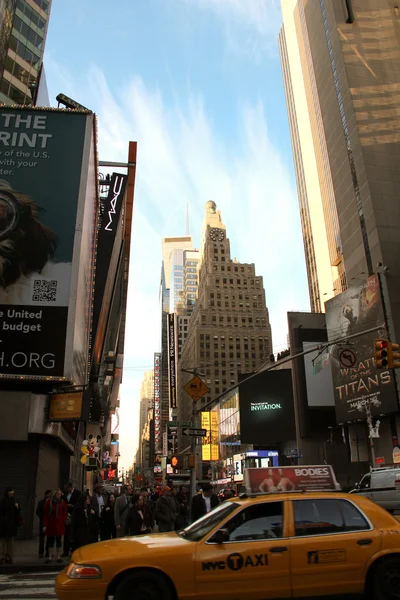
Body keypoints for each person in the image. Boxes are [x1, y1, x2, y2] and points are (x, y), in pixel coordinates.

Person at [43, 489, 68, 564]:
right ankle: (50, 557)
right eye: (58, 494)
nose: (59, 495)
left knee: (59, 541)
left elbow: (65, 513)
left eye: (60, 494)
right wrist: (45, 525)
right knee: (50, 541)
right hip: (51, 524)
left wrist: (63, 520)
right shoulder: (49, 502)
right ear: (54, 494)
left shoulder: (62, 503)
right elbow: (45, 515)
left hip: (59, 525)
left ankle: (58, 556)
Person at [0, 488, 21, 564]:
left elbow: (17, 512)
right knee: (3, 541)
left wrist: (17, 507)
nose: (12, 494)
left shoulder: (15, 501)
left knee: (10, 542)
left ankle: (9, 557)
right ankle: (2, 557)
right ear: (7, 493)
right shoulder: (3, 501)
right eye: (10, 493)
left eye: (12, 493)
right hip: (4, 524)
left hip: (12, 524)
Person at [62, 482, 81, 558]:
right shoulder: (64, 495)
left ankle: (73, 550)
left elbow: (79, 503)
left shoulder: (77, 493)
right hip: (66, 516)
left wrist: (72, 506)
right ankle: (65, 551)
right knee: (66, 534)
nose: (66, 490)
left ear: (70, 487)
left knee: (73, 534)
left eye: (67, 488)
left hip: (74, 515)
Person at [36, 489, 52, 559]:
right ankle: (40, 553)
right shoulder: (41, 502)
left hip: (49, 522)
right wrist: (41, 516)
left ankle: (47, 552)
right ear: (46, 495)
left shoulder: (52, 502)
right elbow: (37, 511)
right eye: (48, 494)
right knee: (41, 539)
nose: (49, 496)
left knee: (49, 538)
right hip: (42, 522)